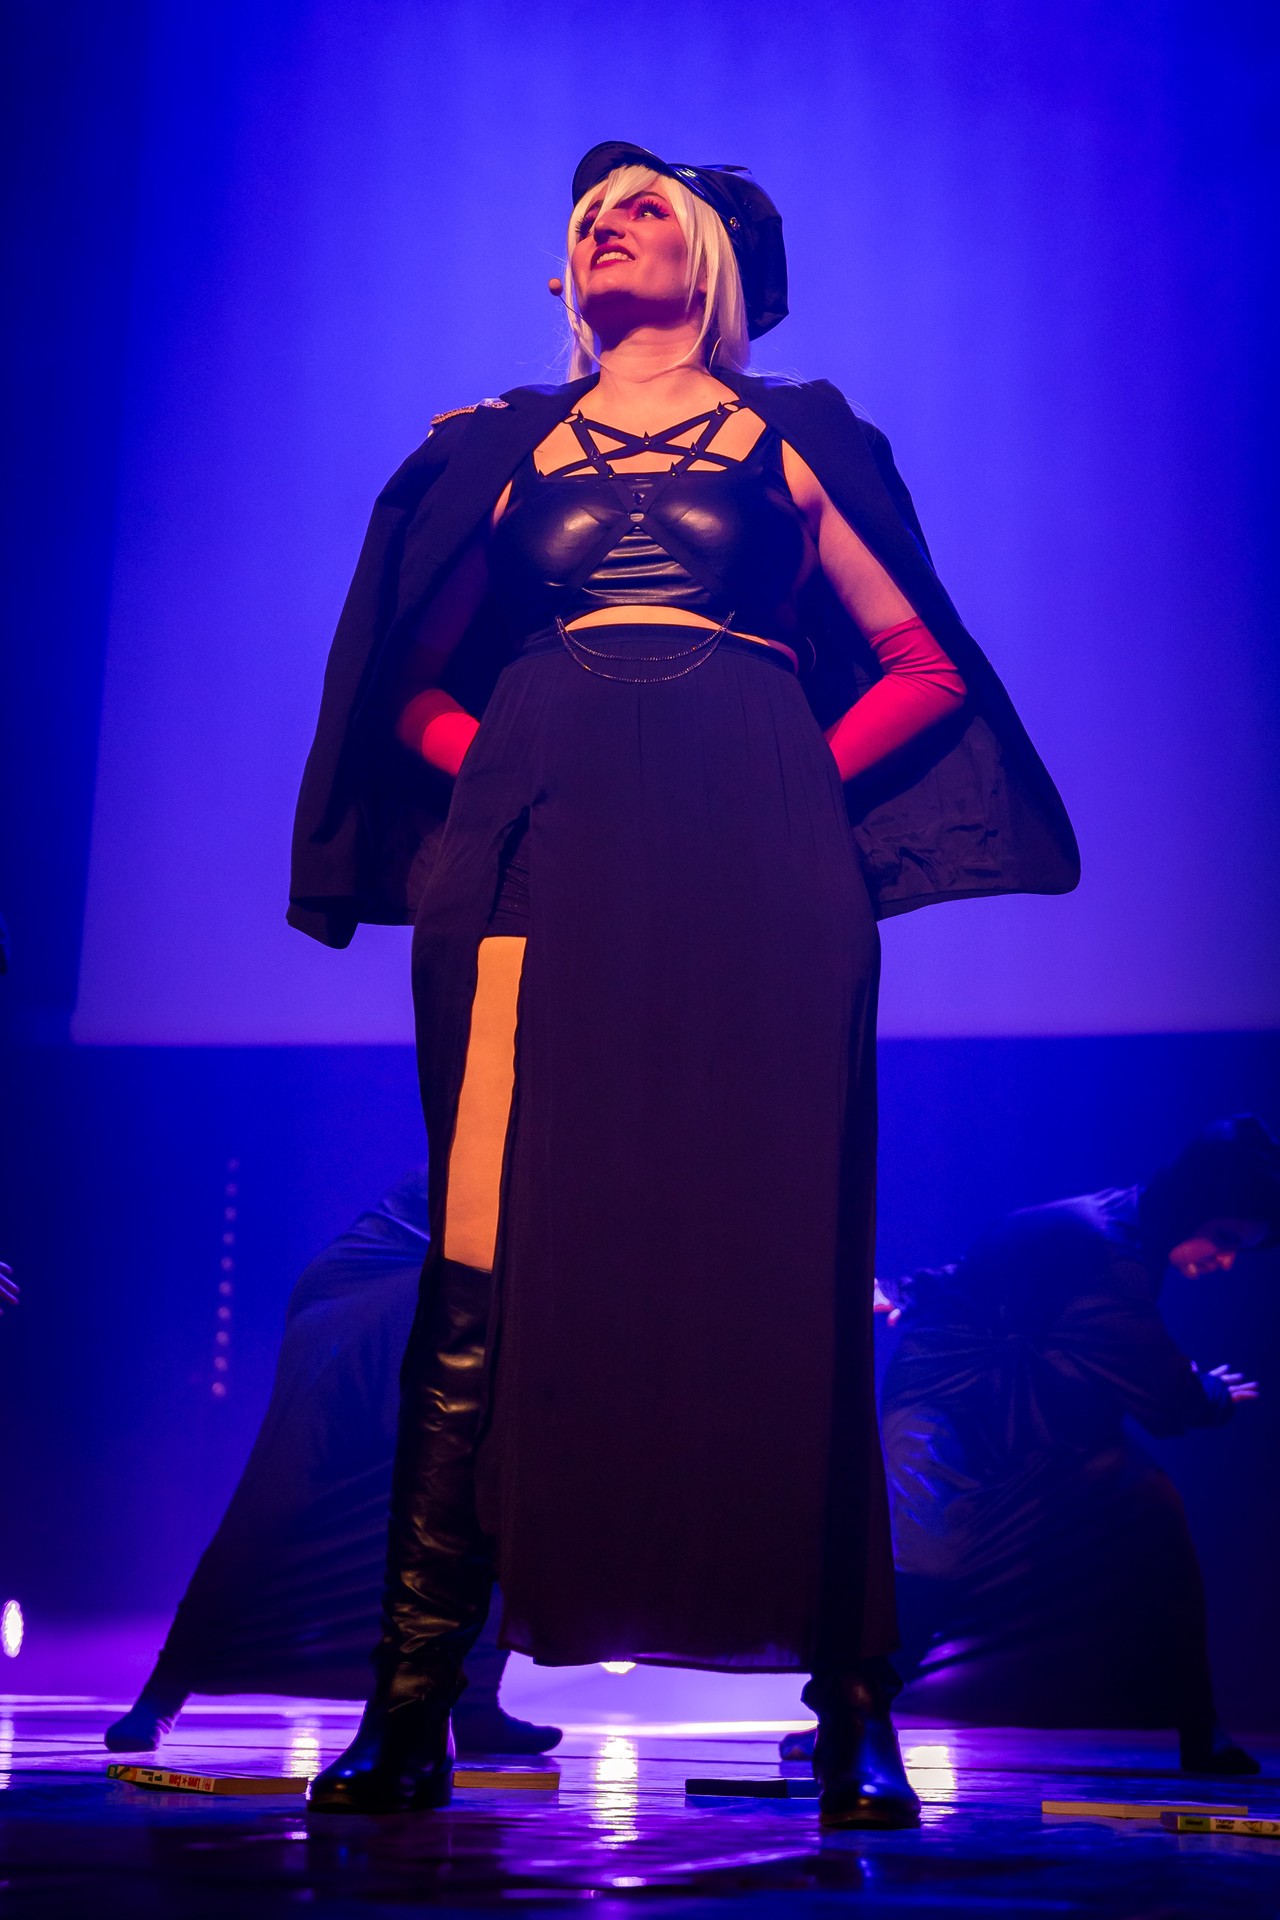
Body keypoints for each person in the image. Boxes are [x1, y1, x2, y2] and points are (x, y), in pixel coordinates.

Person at [290, 140, 1079, 1826]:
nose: (609, 224)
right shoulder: (495, 449)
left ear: (712, 259)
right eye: (588, 216)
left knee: (788, 1252)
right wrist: (501, 768)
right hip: (538, 862)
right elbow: (396, 683)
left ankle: (852, 1707)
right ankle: (411, 1698)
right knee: (481, 1252)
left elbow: (921, 664)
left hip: (756, 866)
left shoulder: (805, 439)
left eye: (645, 206)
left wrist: (787, 781)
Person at [781, 1118, 1277, 1774]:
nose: (1226, 1260)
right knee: (929, 1558)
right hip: (949, 1403)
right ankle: (849, 1720)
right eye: (1226, 1239)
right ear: (1196, 1207)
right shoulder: (1108, 1244)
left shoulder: (1119, 1232)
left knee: (1153, 1517)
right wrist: (1209, 1393)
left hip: (1036, 1410)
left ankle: (1200, 1727)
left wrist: (910, 1289)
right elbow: (1158, 1384)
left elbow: (1003, 1270)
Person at [102, 1169, 560, 1757]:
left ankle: (471, 1705)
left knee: (484, 1496)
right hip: (378, 1287)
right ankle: (162, 1693)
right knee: (278, 1497)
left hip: (472, 1295)